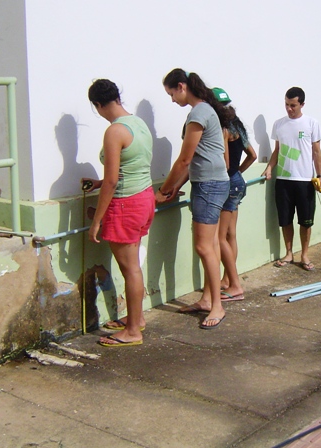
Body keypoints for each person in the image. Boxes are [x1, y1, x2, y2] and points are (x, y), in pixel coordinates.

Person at [156, 69, 232, 329]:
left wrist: (163, 190)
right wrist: (176, 187)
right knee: (210, 244)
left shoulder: (199, 112)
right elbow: (197, 160)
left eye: (171, 93)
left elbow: (184, 160)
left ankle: (217, 306)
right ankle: (207, 299)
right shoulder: (204, 110)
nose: (172, 99)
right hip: (210, 183)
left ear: (181, 86)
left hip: (210, 186)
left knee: (203, 247)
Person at [82, 79, 155, 347]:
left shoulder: (114, 131)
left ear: (98, 105)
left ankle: (133, 331)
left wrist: (96, 221)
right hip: (144, 197)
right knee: (133, 266)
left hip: (125, 204)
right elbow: (130, 166)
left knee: (130, 268)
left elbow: (112, 181)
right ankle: (137, 319)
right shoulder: (138, 123)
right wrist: (100, 183)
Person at [262, 87, 321, 271]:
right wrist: (269, 168)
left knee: (306, 221)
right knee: (285, 219)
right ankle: (289, 253)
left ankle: (304, 255)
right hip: (283, 180)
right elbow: (277, 150)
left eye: (293, 105)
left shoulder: (311, 123)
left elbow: (316, 152)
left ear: (302, 104)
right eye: (287, 104)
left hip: (305, 180)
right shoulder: (279, 124)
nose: (289, 109)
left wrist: (320, 176)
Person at [211, 87, 257, 301]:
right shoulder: (237, 125)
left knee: (220, 237)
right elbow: (252, 155)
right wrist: (239, 173)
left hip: (228, 183)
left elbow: (226, 163)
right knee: (231, 234)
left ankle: (233, 283)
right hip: (237, 183)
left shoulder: (223, 128)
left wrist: (231, 173)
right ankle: (227, 279)